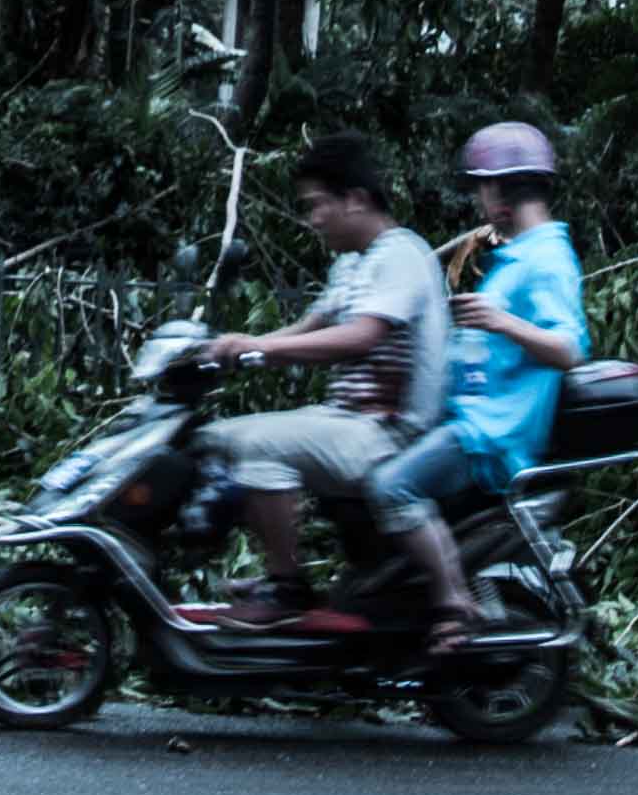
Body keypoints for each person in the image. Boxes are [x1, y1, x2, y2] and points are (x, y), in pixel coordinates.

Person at [198, 134, 453, 629]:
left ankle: (286, 587)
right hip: (347, 422)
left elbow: (361, 337)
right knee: (220, 435)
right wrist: (233, 346)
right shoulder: (354, 263)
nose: (312, 219)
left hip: (390, 433)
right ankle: (277, 572)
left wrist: (261, 347)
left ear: (355, 199)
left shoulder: (400, 254)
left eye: (317, 206)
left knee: (259, 444)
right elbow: (313, 326)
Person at [369, 121, 589, 650]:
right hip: (468, 423)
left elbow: (569, 348)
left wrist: (498, 320)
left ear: (504, 189)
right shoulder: (518, 254)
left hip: (489, 436)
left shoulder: (547, 259)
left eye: (483, 187)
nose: (479, 200)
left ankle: (455, 604)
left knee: (389, 487)